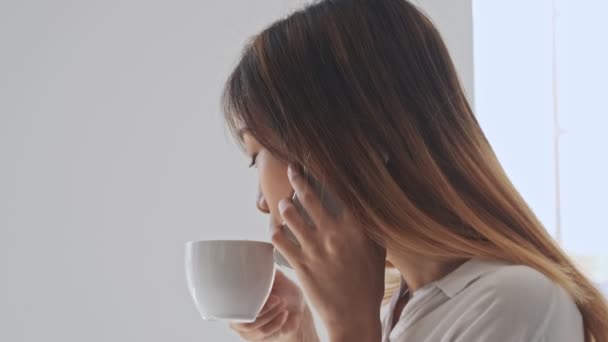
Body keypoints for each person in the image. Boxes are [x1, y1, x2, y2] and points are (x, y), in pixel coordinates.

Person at [221, 0, 608, 341]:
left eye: (257, 155)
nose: (260, 201)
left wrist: (349, 326)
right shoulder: (404, 306)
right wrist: (298, 332)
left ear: (346, 148)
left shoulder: (514, 304)